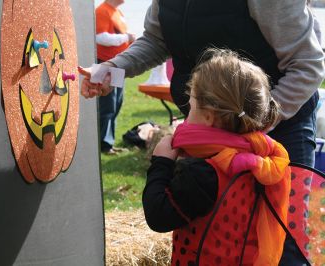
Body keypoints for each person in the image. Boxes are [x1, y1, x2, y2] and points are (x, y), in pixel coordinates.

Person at [78, 2, 324, 263]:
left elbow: (307, 65)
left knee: (282, 242)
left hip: (278, 128)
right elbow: (155, 40)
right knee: (212, 237)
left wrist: (251, 125)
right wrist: (112, 69)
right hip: (211, 130)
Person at [143, 48, 291, 265]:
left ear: (209, 116)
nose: (186, 117)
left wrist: (162, 163)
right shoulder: (261, 156)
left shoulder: (203, 173)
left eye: (191, 107)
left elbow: (158, 216)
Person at [94, 0, 135, 154]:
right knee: (107, 105)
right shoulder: (102, 10)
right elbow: (101, 38)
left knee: (116, 104)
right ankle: (103, 145)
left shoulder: (118, 13)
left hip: (116, 65)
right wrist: (127, 38)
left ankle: (107, 143)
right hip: (104, 63)